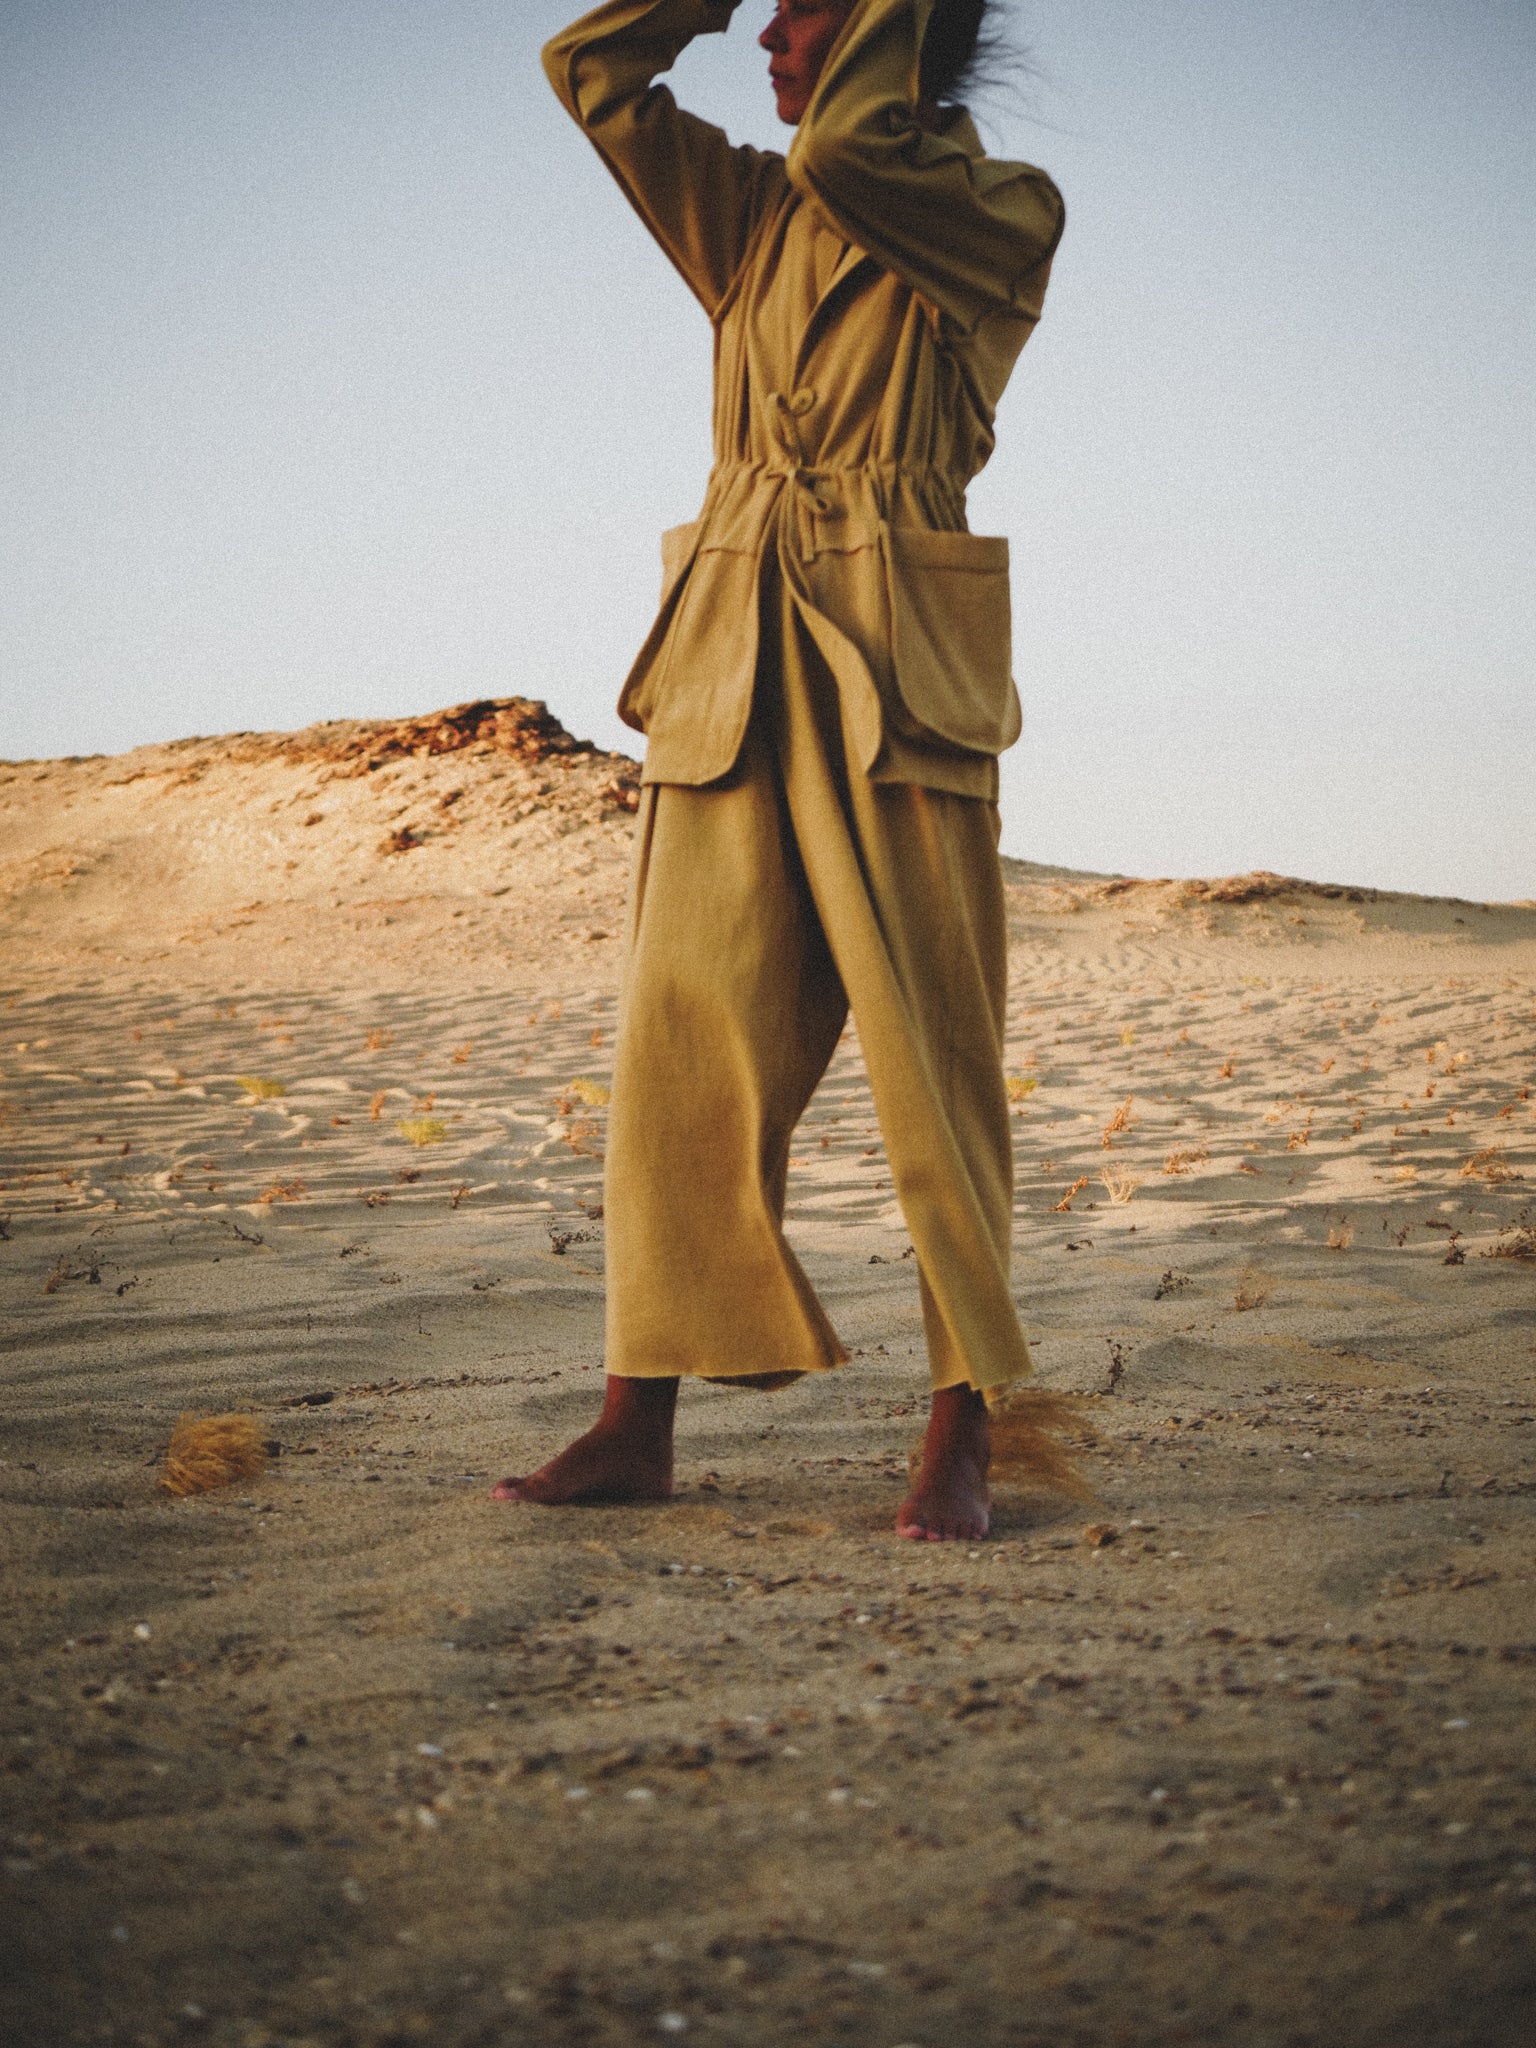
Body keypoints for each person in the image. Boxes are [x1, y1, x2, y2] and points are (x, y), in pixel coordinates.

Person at [494, 0, 1067, 1540]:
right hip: (732, 654)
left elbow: (857, 142)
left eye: (810, 6)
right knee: (681, 1052)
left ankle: (964, 1427)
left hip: (895, 665)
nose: (774, 37)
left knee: (931, 1062)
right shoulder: (750, 217)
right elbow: (589, 73)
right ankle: (638, 1418)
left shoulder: (998, 211)